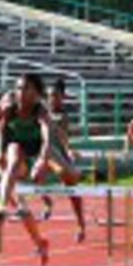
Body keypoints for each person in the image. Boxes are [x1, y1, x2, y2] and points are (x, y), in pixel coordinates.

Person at [0, 72, 49, 265]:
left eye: (25, 89)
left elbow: (46, 133)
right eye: (18, 89)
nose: (20, 93)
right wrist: (2, 119)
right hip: (4, 167)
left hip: (21, 162)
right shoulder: (5, 106)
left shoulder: (37, 109)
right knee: (22, 209)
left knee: (15, 152)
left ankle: (1, 206)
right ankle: (40, 242)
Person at [40, 78, 86, 243]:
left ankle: (81, 224)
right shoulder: (42, 112)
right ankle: (48, 203)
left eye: (56, 96)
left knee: (73, 193)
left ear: (62, 98)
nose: (52, 99)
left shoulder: (62, 115)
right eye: (50, 96)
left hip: (60, 156)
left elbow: (63, 136)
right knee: (35, 177)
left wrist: (68, 150)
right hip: (45, 155)